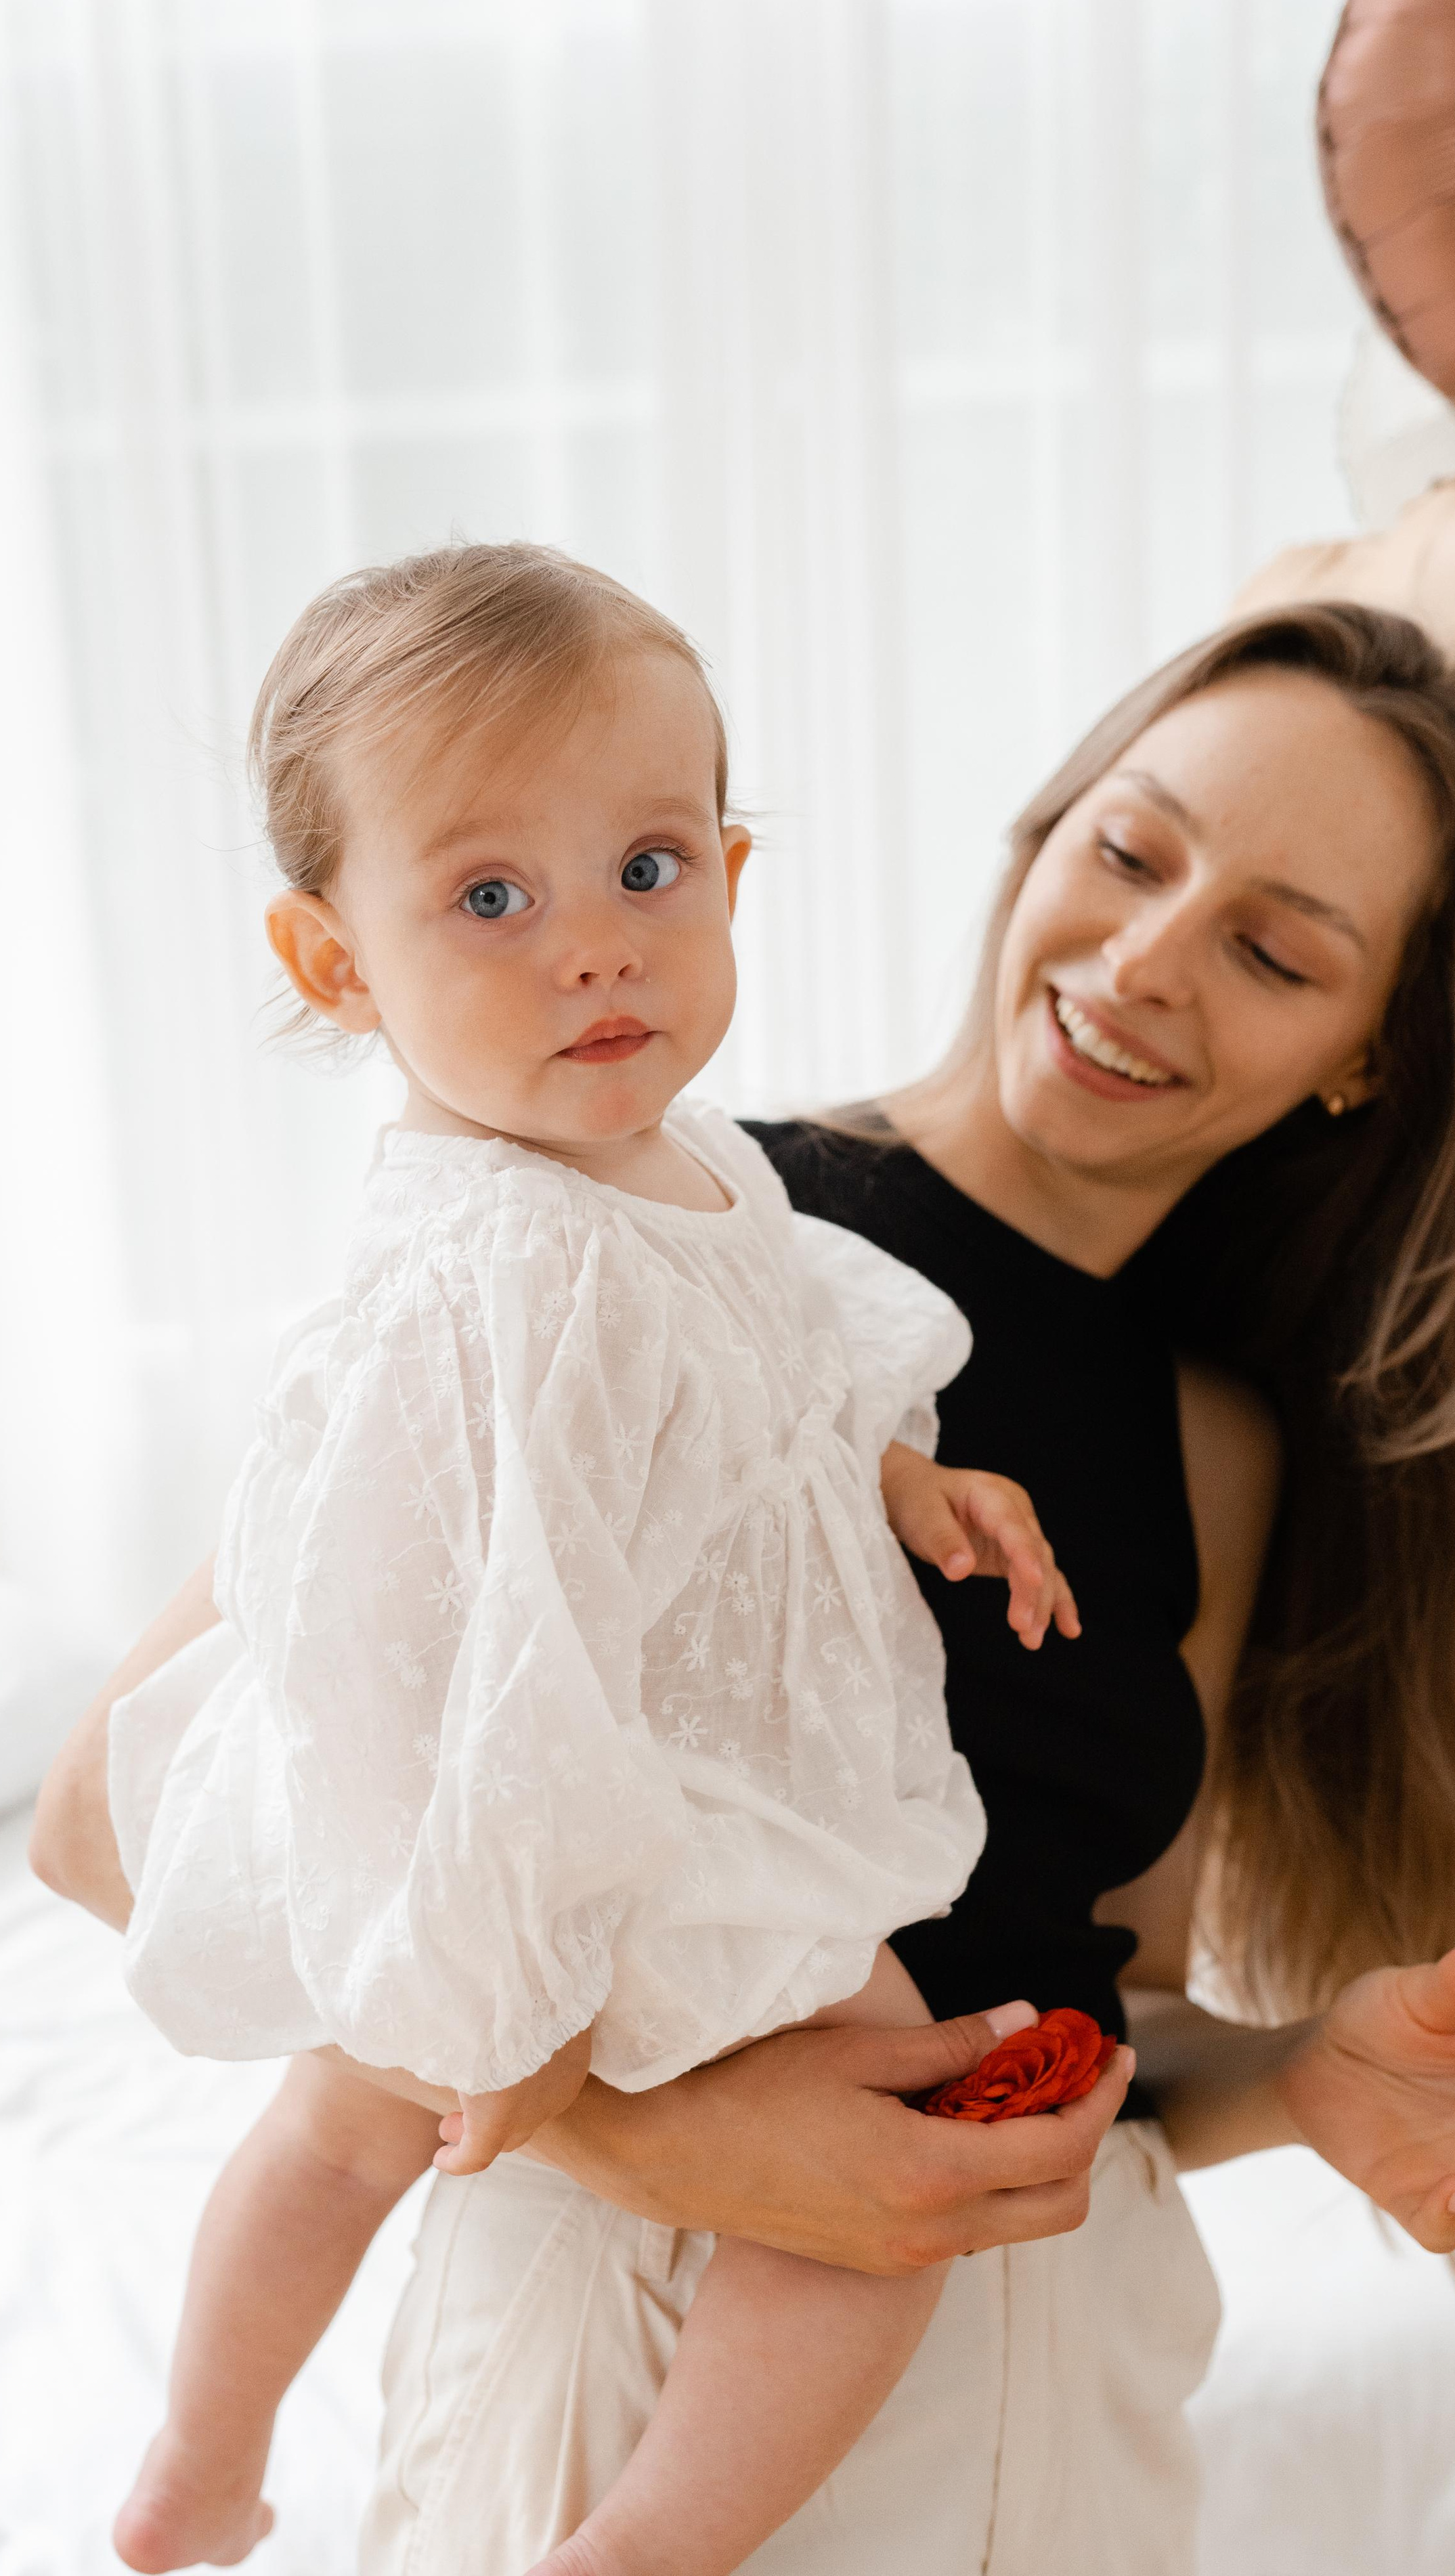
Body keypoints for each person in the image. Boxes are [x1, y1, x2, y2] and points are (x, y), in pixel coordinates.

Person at [37, 594, 1455, 2575]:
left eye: (1271, 949)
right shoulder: (618, 1199)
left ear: (1363, 1057)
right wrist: (635, 2124)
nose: (1148, 962)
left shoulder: (1218, 1450)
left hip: (1068, 2424)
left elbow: (1102, 2005)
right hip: (630, 2362)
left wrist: (1305, 2079)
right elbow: (125, 1817)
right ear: (1043, 833)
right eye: (1131, 851)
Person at [53, 540, 1091, 2576]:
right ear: (335, 963)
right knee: (355, 2121)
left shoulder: (687, 1156)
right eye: (491, 899)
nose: (597, 953)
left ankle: (557, 2532)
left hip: (666, 1771)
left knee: (866, 2168)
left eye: (648, 869)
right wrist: (520, 1992)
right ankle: (221, 2451)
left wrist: (898, 1475)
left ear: (733, 868)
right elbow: (429, 1637)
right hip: (486, 1807)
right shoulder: (487, 1270)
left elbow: (776, 1352)